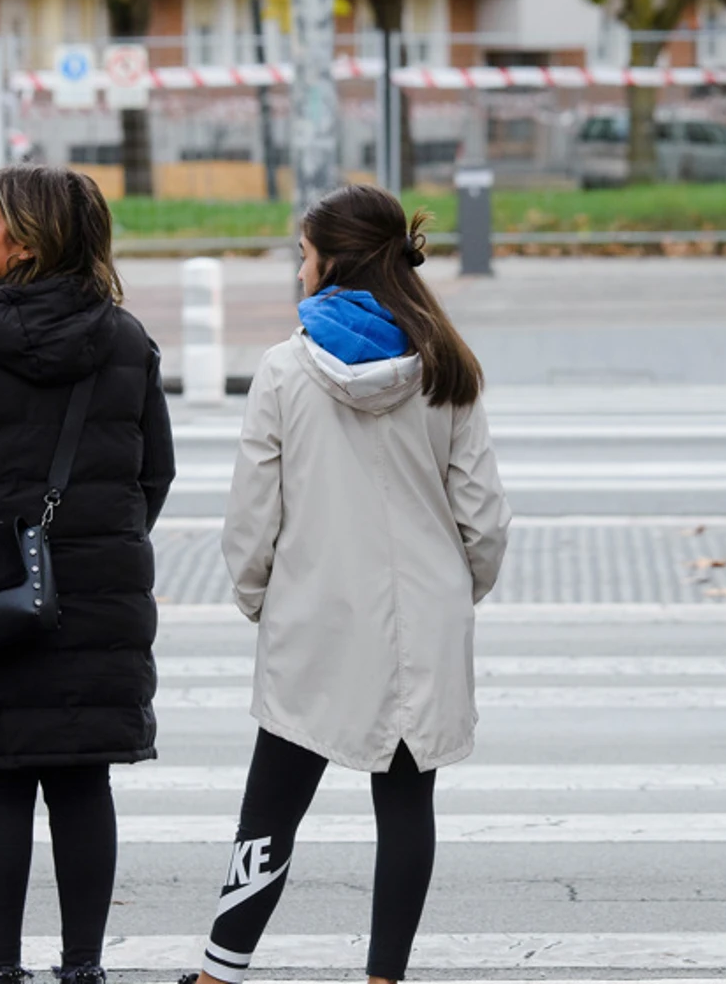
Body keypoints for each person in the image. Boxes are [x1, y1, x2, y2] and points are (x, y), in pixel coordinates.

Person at [184, 184, 512, 984]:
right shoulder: (448, 365)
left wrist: (264, 595)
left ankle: (221, 971)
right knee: (405, 807)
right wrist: (447, 591)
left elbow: (251, 516)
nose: (299, 269)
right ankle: (383, 976)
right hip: (421, 627)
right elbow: (485, 519)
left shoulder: (285, 369)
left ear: (330, 260)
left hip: (313, 620)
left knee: (271, 805)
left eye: (302, 253)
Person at [0, 163, 175, 984]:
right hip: (94, 595)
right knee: (84, 781)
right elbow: (152, 473)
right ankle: (83, 968)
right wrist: (94, 550)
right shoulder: (126, 339)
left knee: (0, 784)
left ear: (24, 245)